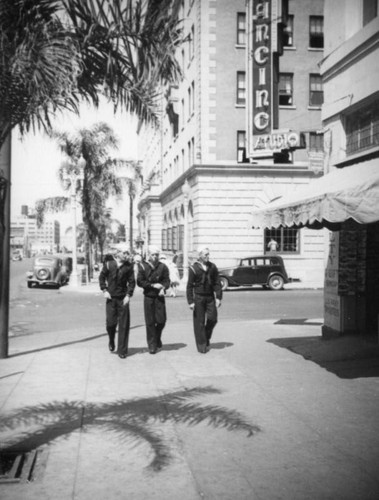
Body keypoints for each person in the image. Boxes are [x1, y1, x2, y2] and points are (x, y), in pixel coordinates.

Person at [99, 248, 135, 359]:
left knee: (124, 325)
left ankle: (122, 350)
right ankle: (111, 338)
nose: (126, 254)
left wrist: (128, 295)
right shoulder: (109, 264)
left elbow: (132, 282)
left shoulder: (129, 266)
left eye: (127, 253)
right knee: (110, 323)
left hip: (123, 299)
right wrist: (104, 290)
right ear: (118, 254)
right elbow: (102, 277)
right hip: (111, 298)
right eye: (124, 252)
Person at [186, 246, 222, 353]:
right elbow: (189, 286)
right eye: (205, 254)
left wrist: (218, 297)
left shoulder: (212, 267)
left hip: (210, 297)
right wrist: (191, 302)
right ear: (200, 256)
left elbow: (217, 283)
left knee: (213, 318)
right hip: (199, 297)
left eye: (208, 254)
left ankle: (206, 336)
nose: (208, 256)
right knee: (199, 322)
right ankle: (201, 345)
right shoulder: (193, 268)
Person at [137, 245, 170, 354]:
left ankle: (156, 337)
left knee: (161, 321)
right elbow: (140, 282)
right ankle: (152, 345)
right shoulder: (143, 266)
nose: (155, 257)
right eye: (153, 255)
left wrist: (163, 288)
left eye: (157, 255)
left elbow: (167, 281)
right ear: (149, 255)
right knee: (150, 322)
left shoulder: (163, 267)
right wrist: (152, 285)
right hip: (149, 297)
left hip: (159, 297)